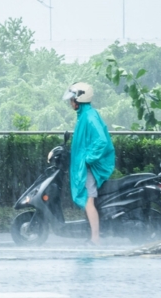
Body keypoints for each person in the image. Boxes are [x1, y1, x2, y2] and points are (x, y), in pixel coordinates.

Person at [63, 82, 115, 245]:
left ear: (78, 100)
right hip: (85, 165)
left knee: (88, 200)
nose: (70, 102)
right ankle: (92, 235)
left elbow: (101, 141)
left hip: (90, 167)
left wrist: (87, 159)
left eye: (72, 99)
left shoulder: (89, 117)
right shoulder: (85, 115)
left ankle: (95, 239)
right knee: (87, 199)